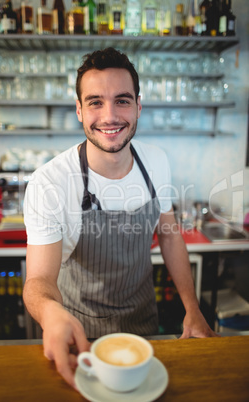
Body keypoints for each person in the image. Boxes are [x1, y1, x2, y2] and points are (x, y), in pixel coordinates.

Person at [23, 47, 218, 389]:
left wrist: (193, 308)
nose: (110, 115)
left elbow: (170, 235)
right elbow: (39, 279)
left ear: (139, 106)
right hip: (80, 334)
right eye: (96, 102)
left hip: (145, 326)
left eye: (123, 100)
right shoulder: (49, 182)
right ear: (80, 111)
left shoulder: (156, 161)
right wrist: (51, 313)